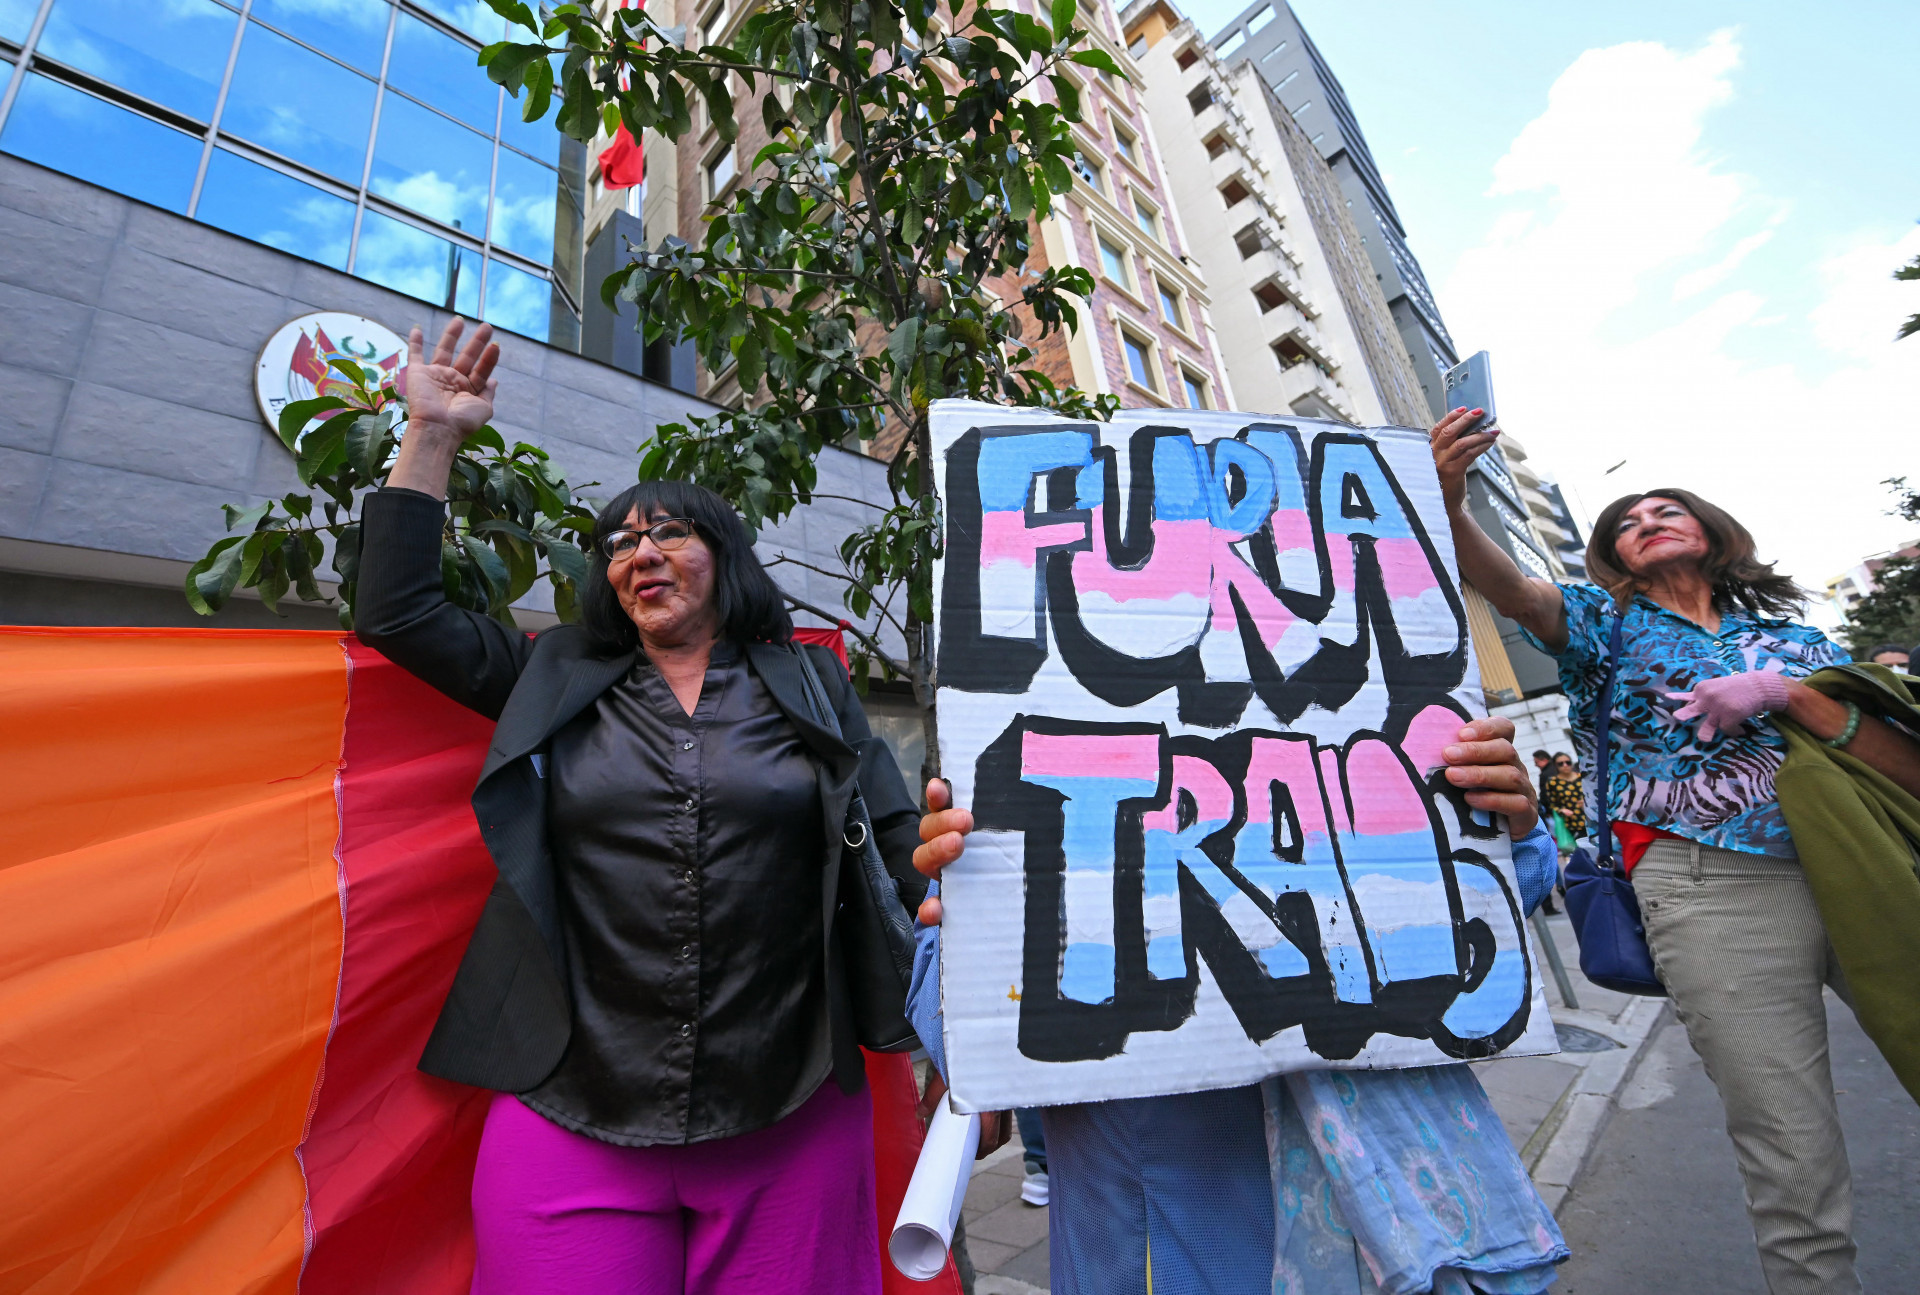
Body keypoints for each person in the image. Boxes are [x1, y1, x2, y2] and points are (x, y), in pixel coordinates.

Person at [353, 318, 936, 1294]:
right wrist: (433, 431)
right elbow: (397, 611)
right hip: (569, 1099)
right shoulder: (552, 673)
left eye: (669, 530)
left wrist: (958, 877)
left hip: (790, 1103)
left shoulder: (811, 682)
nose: (641, 551)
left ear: (726, 555)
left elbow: (893, 837)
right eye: (621, 541)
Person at [1430, 405, 1920, 1295]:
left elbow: (1900, 765)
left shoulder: (1804, 641)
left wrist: (1787, 693)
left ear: (1712, 532)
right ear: (1612, 559)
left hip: (1857, 863)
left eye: (1666, 509)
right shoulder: (1597, 625)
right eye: (1626, 522)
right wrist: (1451, 501)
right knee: (1791, 1151)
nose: (1645, 520)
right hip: (1709, 887)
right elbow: (1513, 591)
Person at [910, 717, 1570, 1294]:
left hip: (1393, 1227)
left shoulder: (1342, 738)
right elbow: (957, 1032)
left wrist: (1504, 822)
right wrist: (975, 925)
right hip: (1170, 1245)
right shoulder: (1036, 774)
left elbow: (1493, 919)